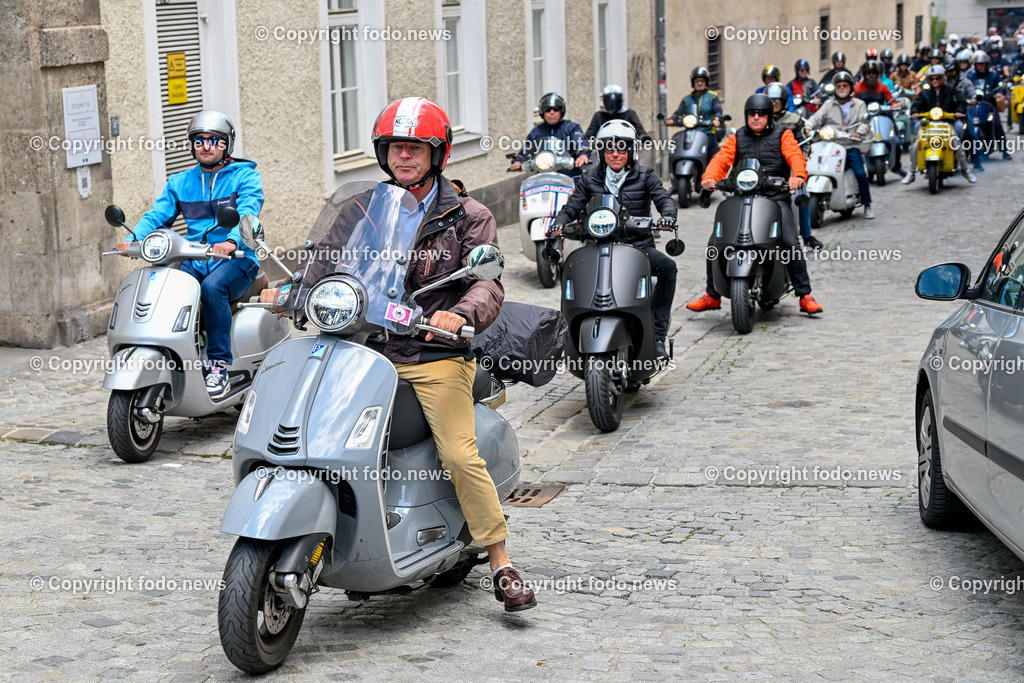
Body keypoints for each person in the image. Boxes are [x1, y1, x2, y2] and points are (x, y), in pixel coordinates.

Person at [263, 97, 536, 612]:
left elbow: (489, 285)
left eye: (414, 147)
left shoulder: (467, 215)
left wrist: (460, 315)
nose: (403, 156)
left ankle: (500, 560)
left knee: (458, 451)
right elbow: (325, 262)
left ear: (437, 154)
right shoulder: (362, 207)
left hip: (433, 353)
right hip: (363, 344)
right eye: (394, 147)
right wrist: (294, 290)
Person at [117, 110, 262, 399]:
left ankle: (219, 366)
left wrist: (233, 241)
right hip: (196, 258)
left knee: (213, 288)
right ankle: (177, 351)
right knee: (167, 288)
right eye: (199, 140)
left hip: (238, 259)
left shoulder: (245, 177)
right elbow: (157, 215)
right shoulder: (180, 182)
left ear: (226, 144)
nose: (206, 146)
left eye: (214, 140)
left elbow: (249, 211)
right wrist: (134, 238)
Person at [686, 94, 823, 316]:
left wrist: (797, 175)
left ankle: (805, 295)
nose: (756, 117)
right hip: (741, 196)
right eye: (752, 113)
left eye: (761, 114)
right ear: (746, 115)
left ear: (769, 115)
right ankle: (712, 294)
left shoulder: (783, 134)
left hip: (775, 198)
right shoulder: (737, 136)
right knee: (715, 243)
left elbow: (795, 155)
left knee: (789, 240)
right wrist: (710, 177)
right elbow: (722, 158)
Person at [552, 119, 678, 358]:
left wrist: (668, 216)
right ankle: (569, 335)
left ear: (631, 151)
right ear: (602, 151)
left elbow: (664, 199)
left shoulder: (645, 175)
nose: (616, 153)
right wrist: (559, 223)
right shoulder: (590, 178)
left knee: (667, 268)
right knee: (569, 271)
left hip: (637, 248)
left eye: (622, 147)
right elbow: (572, 206)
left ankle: (658, 335)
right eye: (609, 148)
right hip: (596, 246)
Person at [804, 71, 875, 219]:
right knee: (813, 167)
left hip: (850, 145)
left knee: (860, 173)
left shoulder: (860, 104)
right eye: (839, 86)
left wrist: (859, 133)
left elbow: (865, 123)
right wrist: (809, 126)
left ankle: (867, 204)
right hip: (831, 144)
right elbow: (817, 117)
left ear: (850, 88)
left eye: (845, 85)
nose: (842, 88)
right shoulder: (828, 104)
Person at [767, 83, 823, 251]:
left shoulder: (794, 119)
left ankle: (806, 235)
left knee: (801, 193)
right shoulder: (761, 119)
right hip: (767, 164)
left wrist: (805, 151)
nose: (774, 104)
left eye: (778, 101)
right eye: (771, 101)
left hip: (789, 163)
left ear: (784, 101)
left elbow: (803, 140)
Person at [902, 65, 976, 185]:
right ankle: (911, 172)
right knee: (916, 144)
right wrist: (914, 112)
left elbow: (961, 101)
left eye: (937, 78)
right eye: (932, 79)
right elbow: (917, 103)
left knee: (956, 142)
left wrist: (959, 111)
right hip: (929, 123)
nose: (935, 81)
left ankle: (965, 169)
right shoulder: (925, 92)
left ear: (943, 78)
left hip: (947, 122)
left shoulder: (951, 90)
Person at [509, 92, 589, 174]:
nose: (552, 112)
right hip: (543, 174)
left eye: (556, 109)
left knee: (583, 184)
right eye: (547, 110)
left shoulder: (572, 127)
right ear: (542, 113)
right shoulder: (536, 131)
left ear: (561, 111)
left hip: (570, 174)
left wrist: (582, 154)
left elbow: (580, 142)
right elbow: (526, 150)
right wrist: (518, 161)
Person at [855, 60, 906, 177]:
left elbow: (892, 101)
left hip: (883, 118)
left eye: (873, 72)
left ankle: (896, 166)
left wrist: (896, 105)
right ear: (864, 74)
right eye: (868, 73)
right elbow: (852, 102)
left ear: (878, 74)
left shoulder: (883, 87)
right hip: (864, 121)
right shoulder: (857, 89)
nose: (871, 75)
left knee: (897, 142)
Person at [666, 66, 723, 158]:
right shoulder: (687, 98)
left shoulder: (713, 96)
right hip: (691, 133)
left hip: (707, 132)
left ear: (706, 82)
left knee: (716, 158)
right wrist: (672, 120)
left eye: (702, 80)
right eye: (697, 81)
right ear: (693, 82)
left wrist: (717, 119)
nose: (699, 83)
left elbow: (718, 110)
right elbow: (678, 112)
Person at [968, 51, 1013, 161]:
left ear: (986, 64)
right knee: (966, 125)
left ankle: (1005, 151)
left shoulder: (993, 76)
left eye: (982, 64)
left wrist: (999, 92)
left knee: (997, 124)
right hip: (975, 105)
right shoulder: (971, 77)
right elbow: (966, 87)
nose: (980, 66)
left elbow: (1000, 86)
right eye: (978, 64)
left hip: (989, 105)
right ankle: (965, 151)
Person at [585, 84, 651, 142]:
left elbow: (640, 131)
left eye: (615, 101)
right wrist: (587, 144)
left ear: (620, 100)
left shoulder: (630, 114)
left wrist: (644, 138)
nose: (612, 104)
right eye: (608, 101)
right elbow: (589, 135)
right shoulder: (599, 115)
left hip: (626, 149)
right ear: (604, 101)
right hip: (605, 150)